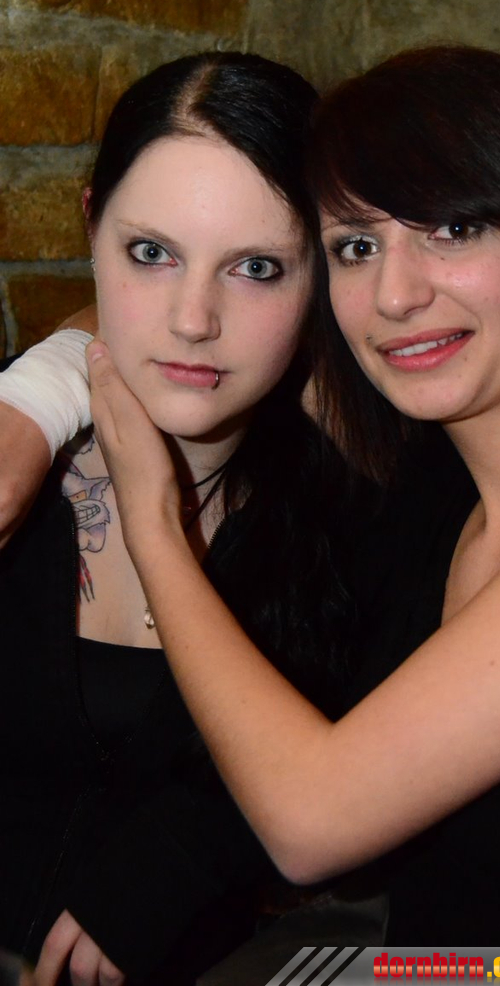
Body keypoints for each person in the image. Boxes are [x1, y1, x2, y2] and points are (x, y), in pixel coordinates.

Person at [4, 44, 500, 949]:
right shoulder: (437, 508)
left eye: (455, 229)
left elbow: (313, 823)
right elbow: (177, 324)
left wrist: (154, 521)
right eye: (357, 246)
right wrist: (40, 391)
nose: (395, 294)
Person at [0, 50, 363, 986]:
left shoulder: (358, 512)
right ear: (92, 229)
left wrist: (183, 860)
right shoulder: (12, 450)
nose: (193, 318)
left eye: (256, 267)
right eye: (151, 253)